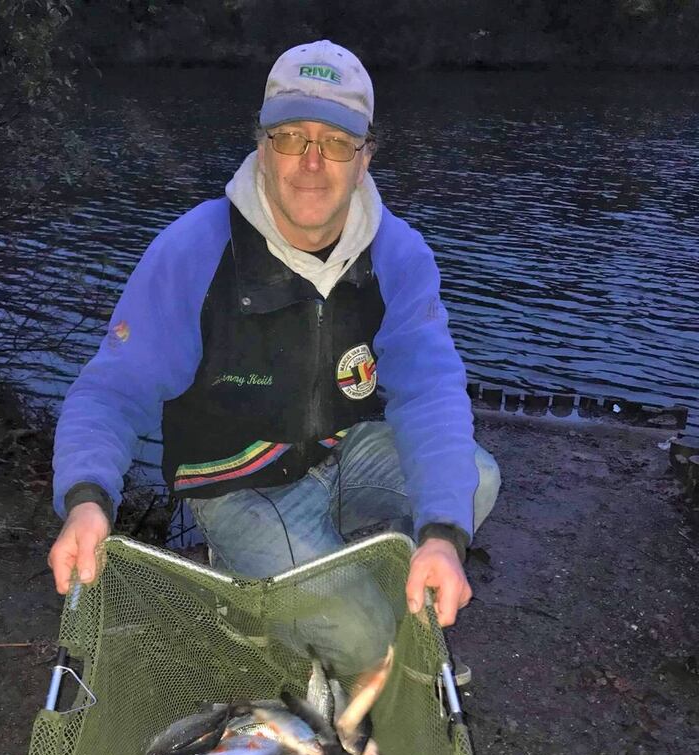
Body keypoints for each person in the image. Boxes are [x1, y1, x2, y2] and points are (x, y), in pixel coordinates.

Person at [48, 40, 500, 672]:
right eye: (292, 136)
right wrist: (87, 500)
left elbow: (430, 394)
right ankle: (255, 597)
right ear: (262, 145)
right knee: (366, 640)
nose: (312, 163)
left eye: (337, 141)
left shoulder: (399, 255)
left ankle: (342, 573)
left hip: (344, 453)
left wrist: (442, 536)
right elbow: (111, 392)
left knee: (473, 481)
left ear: (365, 157)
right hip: (239, 483)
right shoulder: (193, 250)